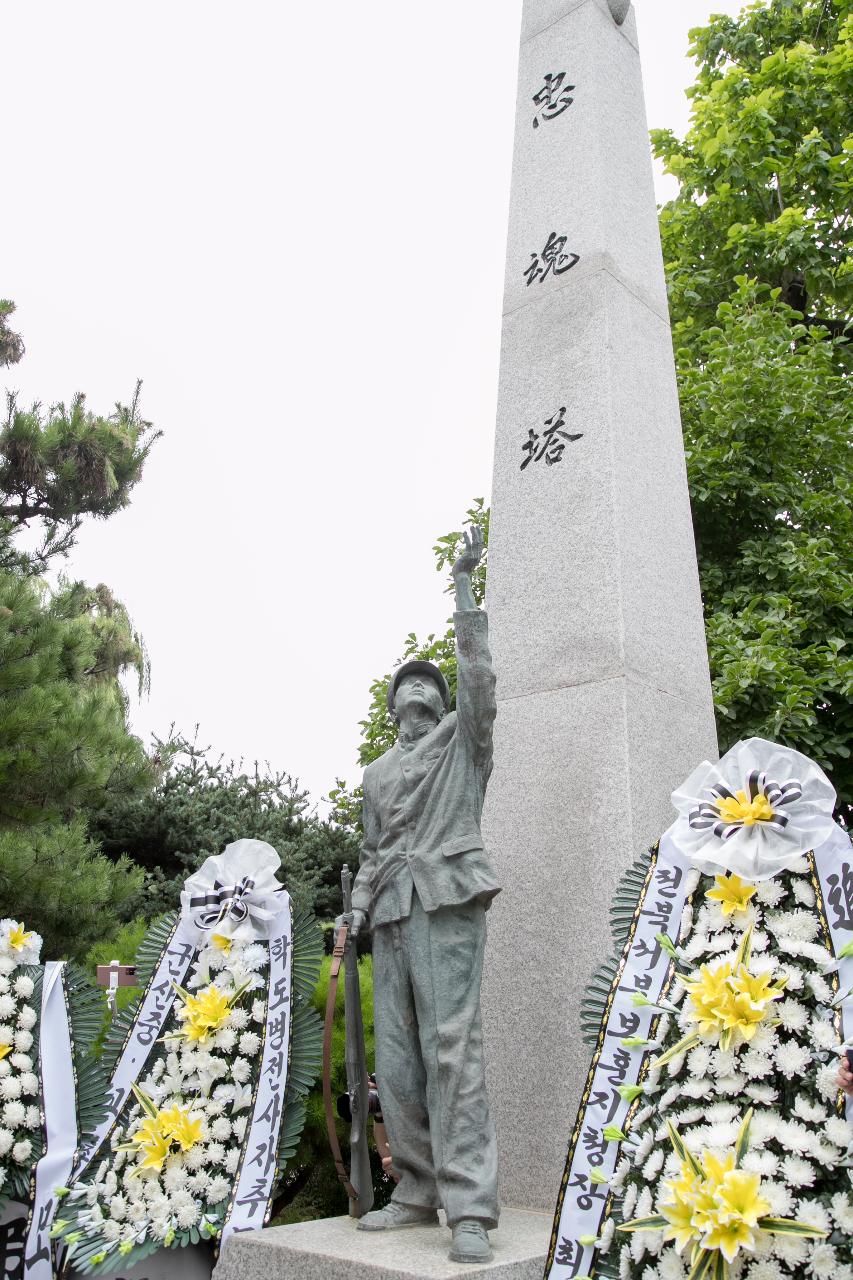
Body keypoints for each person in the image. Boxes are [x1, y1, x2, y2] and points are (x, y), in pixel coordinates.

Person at [345, 525, 501, 1265]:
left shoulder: (460, 744)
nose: (417, 685)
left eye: (427, 683)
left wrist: (464, 585)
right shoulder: (375, 774)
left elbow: (478, 679)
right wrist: (355, 907)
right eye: (405, 681)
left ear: (440, 704)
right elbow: (375, 850)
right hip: (392, 913)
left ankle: (469, 1206)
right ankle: (414, 1188)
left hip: (445, 901)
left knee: (451, 1052)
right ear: (391, 706)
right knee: (399, 1065)